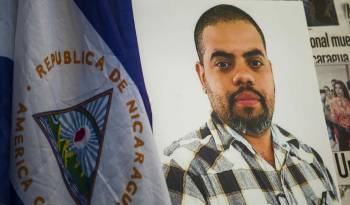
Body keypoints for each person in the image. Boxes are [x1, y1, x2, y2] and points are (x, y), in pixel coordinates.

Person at [163, 4, 338, 205]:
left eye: (255, 62)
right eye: (223, 64)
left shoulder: (309, 158)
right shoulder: (180, 170)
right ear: (203, 77)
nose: (244, 76)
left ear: (270, 70)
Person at [329, 80, 350, 151]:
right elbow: (333, 117)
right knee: (345, 152)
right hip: (342, 130)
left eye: (340, 88)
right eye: (336, 88)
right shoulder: (333, 101)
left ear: (343, 89)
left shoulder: (348, 100)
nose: (338, 90)